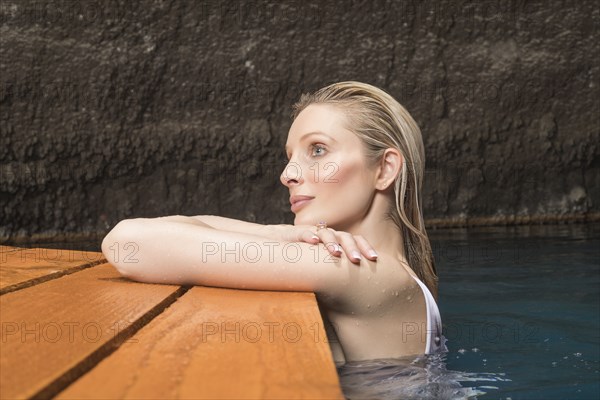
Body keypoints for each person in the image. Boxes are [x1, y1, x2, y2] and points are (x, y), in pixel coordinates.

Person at [101, 81, 444, 363]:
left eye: (318, 150)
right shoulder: (393, 270)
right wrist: (277, 233)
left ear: (384, 169)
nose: (288, 174)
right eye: (290, 156)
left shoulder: (359, 269)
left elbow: (127, 243)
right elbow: (185, 223)